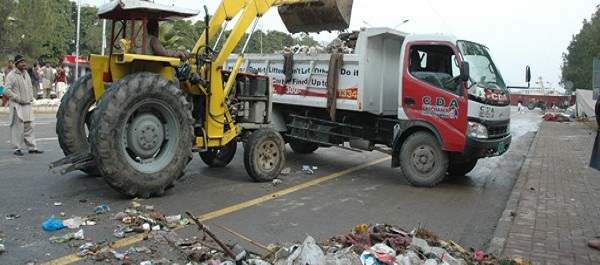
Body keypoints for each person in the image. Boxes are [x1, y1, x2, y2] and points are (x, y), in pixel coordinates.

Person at [3, 54, 43, 156]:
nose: (24, 64)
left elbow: (29, 87)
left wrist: (30, 98)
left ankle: (32, 147)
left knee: (30, 126)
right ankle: (17, 148)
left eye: (24, 62)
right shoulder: (11, 75)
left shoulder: (26, 74)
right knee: (18, 127)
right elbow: (6, 90)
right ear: (16, 64)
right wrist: (17, 98)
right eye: (21, 62)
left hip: (27, 104)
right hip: (17, 105)